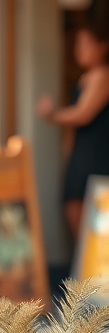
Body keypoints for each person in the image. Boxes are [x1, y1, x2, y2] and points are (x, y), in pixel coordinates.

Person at [37, 25, 109, 238]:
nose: (80, 49)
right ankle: (89, 267)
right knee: (75, 207)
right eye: (78, 44)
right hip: (82, 152)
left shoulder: (103, 76)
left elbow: (83, 114)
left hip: (96, 154)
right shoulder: (85, 78)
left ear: (103, 46)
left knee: (93, 216)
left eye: (86, 43)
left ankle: (95, 268)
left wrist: (51, 115)